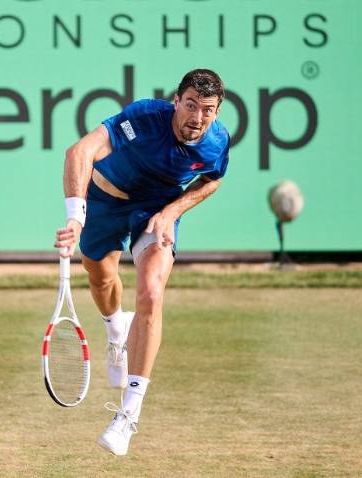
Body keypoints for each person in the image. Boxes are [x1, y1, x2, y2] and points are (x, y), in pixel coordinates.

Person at [54, 69, 230, 456]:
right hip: (103, 202)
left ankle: (128, 415)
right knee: (101, 281)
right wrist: (75, 217)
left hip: (154, 212)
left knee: (150, 293)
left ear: (217, 112)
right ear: (176, 101)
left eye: (207, 110)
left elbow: (211, 180)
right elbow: (78, 152)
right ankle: (116, 331)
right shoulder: (144, 118)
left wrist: (173, 210)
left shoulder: (216, 143)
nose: (197, 118)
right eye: (190, 105)